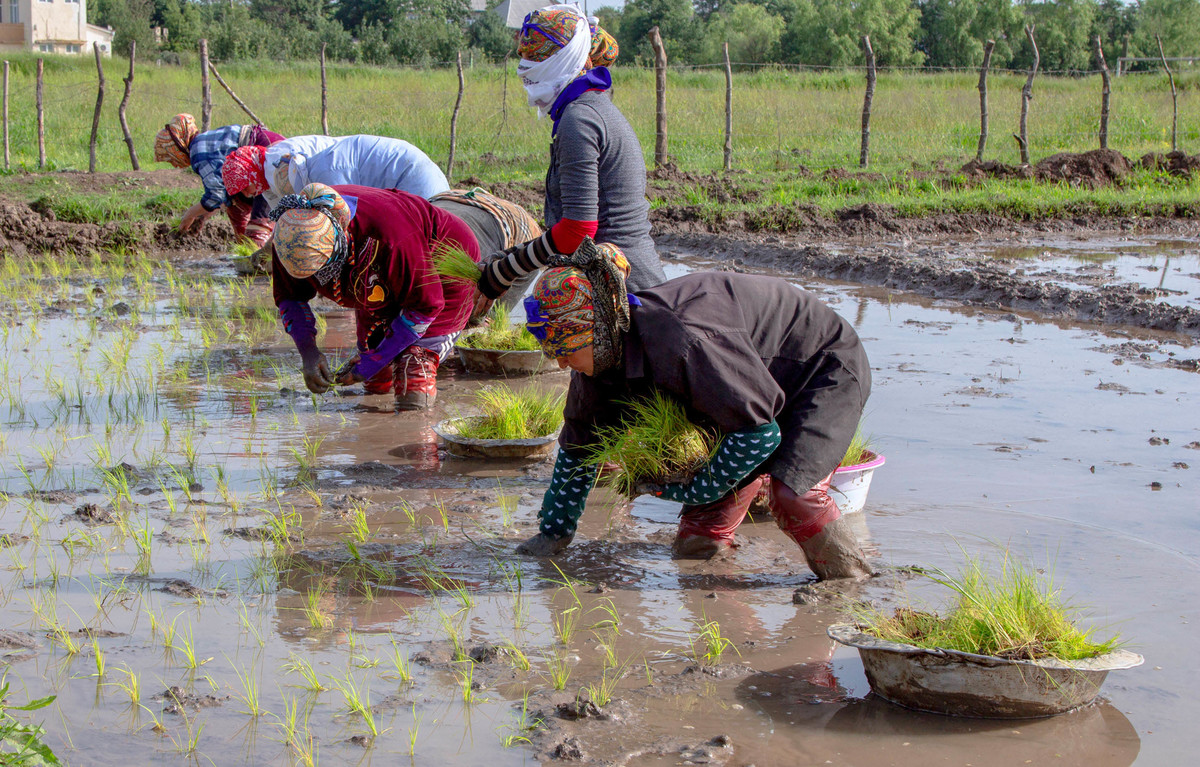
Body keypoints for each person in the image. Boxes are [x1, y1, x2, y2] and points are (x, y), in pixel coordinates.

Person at [510, 240, 874, 581]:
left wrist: (692, 489)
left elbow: (758, 434)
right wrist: (553, 534)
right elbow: (578, 449)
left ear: (600, 329)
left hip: (819, 368)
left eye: (566, 349)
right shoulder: (599, 362)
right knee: (697, 543)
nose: (560, 364)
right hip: (748, 391)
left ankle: (848, 582)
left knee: (793, 494)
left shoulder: (683, 343)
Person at [474, 4, 666, 308]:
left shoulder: (579, 120)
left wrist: (505, 270)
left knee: (548, 302)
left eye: (535, 58)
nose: (524, 68)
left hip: (620, 290)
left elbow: (578, 230)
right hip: (618, 277)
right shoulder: (588, 109)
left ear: (561, 59)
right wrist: (512, 256)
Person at [271, 183, 477, 410]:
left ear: (340, 241)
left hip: (442, 264)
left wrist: (375, 361)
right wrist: (309, 353)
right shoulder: (290, 235)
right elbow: (290, 297)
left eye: (320, 268)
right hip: (377, 280)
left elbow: (426, 305)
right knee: (375, 379)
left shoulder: (387, 234)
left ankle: (417, 435)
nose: (318, 278)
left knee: (413, 372)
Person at [221, 134, 449, 212]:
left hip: (413, 176)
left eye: (244, 188)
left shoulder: (325, 172)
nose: (249, 194)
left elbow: (346, 222)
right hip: (403, 172)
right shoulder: (286, 169)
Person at [153, 113, 284, 249]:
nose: (174, 165)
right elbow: (223, 192)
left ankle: (262, 262)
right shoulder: (205, 142)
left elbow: (216, 195)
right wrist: (202, 216)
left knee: (257, 232)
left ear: (177, 146)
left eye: (170, 157)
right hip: (268, 150)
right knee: (235, 207)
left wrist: (190, 215)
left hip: (268, 157)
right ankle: (247, 253)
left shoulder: (198, 151)